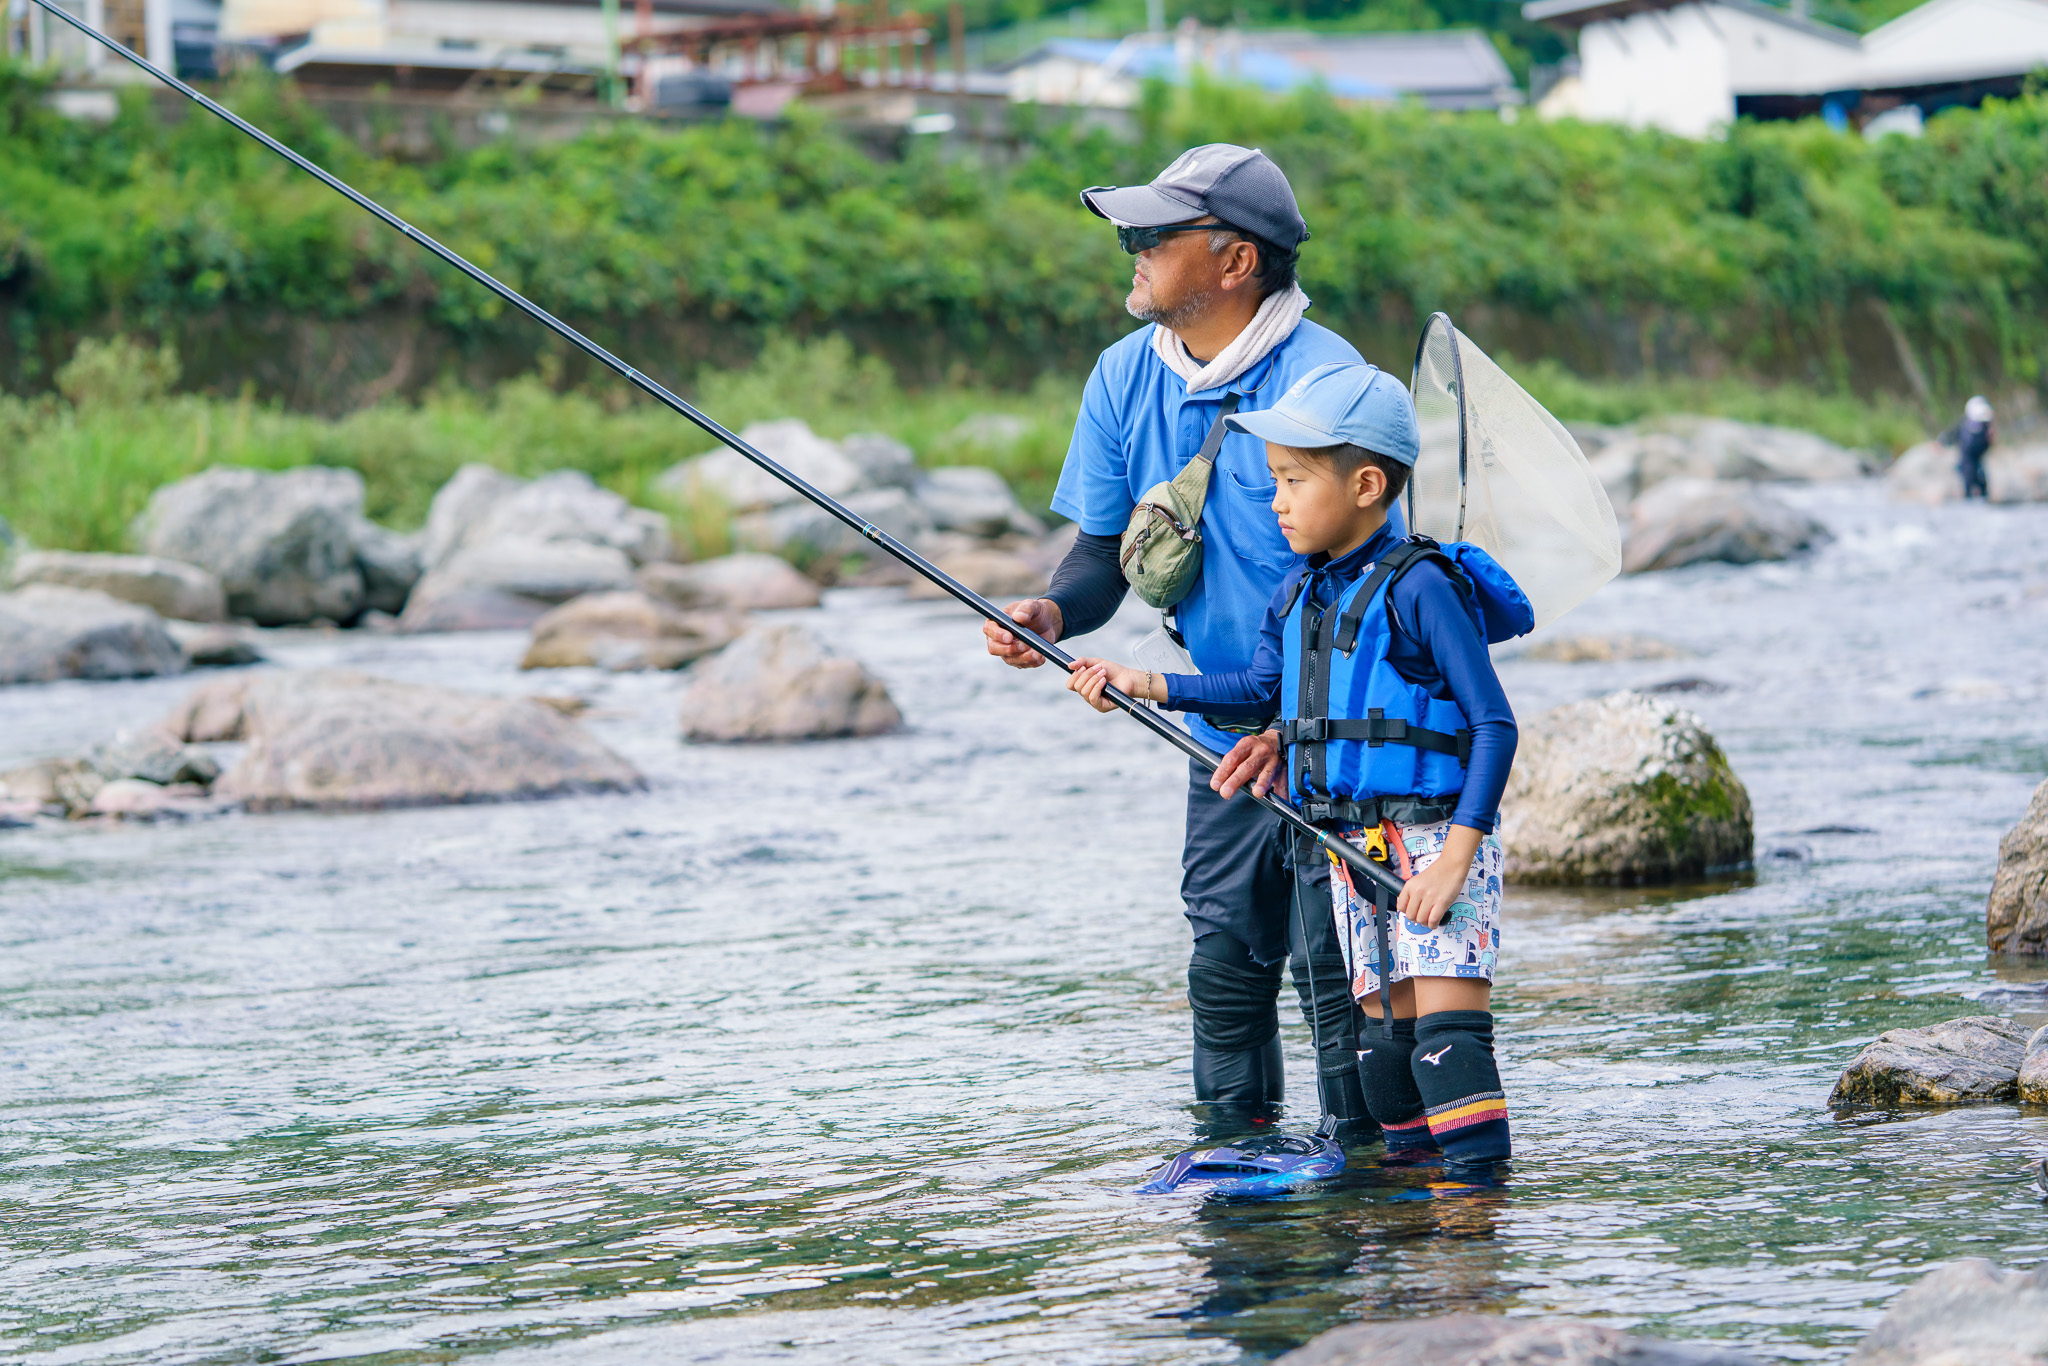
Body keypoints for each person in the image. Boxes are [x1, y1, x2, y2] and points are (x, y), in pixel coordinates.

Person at [981, 144, 1391, 1129]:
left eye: (1148, 236)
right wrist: (1050, 611)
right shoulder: (1123, 376)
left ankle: (1363, 1191)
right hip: (1216, 725)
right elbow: (1094, 556)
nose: (1128, 251)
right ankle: (1235, 1189)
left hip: (1337, 729)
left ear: (1233, 261)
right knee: (1221, 964)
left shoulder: (1330, 385)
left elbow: (1373, 589)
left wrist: (1295, 732)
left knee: (1334, 977)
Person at [1064, 360, 1518, 1185]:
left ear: (1368, 485)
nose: (1275, 500)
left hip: (1431, 844)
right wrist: (1147, 684)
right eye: (1273, 479)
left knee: (1447, 1049)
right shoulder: (1298, 589)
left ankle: (1479, 1223)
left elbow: (1494, 722)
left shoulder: (1422, 589)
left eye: (1292, 480)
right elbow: (1253, 693)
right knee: (1382, 1057)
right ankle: (1411, 1223)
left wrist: (1456, 856)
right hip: (1353, 853)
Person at [1944, 395, 1995, 500]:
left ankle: (1979, 494)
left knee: (1975, 471)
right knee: (1970, 472)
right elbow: (1953, 434)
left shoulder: (1982, 423)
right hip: (1970, 451)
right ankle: (1973, 494)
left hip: (1974, 451)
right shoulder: (1966, 423)